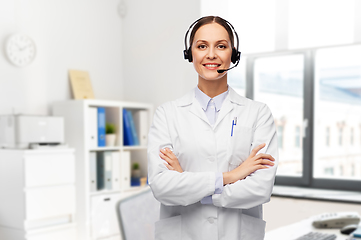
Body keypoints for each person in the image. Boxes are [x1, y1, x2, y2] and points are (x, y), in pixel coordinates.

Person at [147, 16, 278, 240]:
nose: (211, 55)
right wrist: (232, 176)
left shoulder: (258, 113)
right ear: (190, 54)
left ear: (233, 54)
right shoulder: (167, 114)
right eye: (201, 46)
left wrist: (189, 182)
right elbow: (161, 186)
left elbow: (260, 188)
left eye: (221, 46)